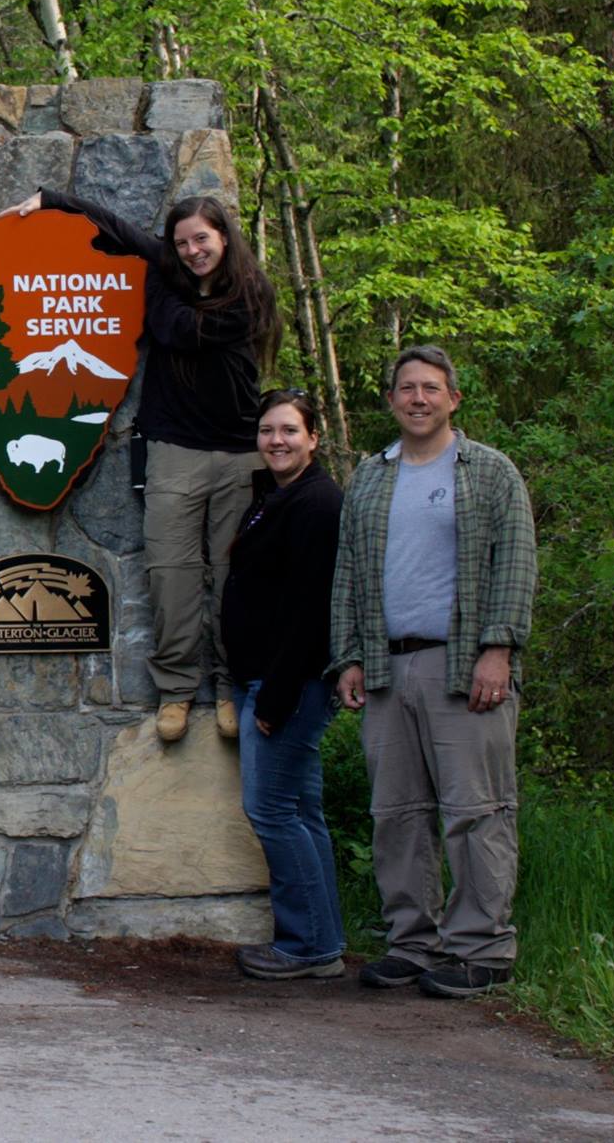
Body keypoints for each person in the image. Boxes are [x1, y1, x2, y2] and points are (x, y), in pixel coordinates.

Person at [4, 187, 281, 743]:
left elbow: (180, 329)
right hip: (172, 447)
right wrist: (50, 200)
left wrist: (161, 297)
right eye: (180, 243)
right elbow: (114, 225)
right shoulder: (166, 270)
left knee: (236, 577)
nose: (192, 251)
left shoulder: (251, 295)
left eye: (202, 238)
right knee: (169, 573)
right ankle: (176, 690)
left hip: (239, 451)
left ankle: (230, 686)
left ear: (224, 236)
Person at [332, 346, 536, 999]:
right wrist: (350, 655)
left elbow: (516, 564)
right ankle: (413, 941)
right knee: (397, 811)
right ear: (390, 400)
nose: (418, 398)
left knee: (475, 810)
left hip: (463, 662)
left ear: (453, 398)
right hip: (388, 663)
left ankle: (482, 947)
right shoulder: (370, 477)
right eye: (406, 388)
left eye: (431, 387)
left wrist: (498, 647)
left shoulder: (489, 471)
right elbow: (347, 576)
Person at [219, 389, 346, 980]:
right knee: (300, 809)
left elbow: (310, 609)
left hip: (287, 682)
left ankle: (305, 943)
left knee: (268, 809)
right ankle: (322, 943)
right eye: (268, 430)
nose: (277, 441)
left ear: (313, 437)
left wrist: (276, 693)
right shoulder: (276, 496)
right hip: (265, 676)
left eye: (290, 431)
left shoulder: (317, 504)